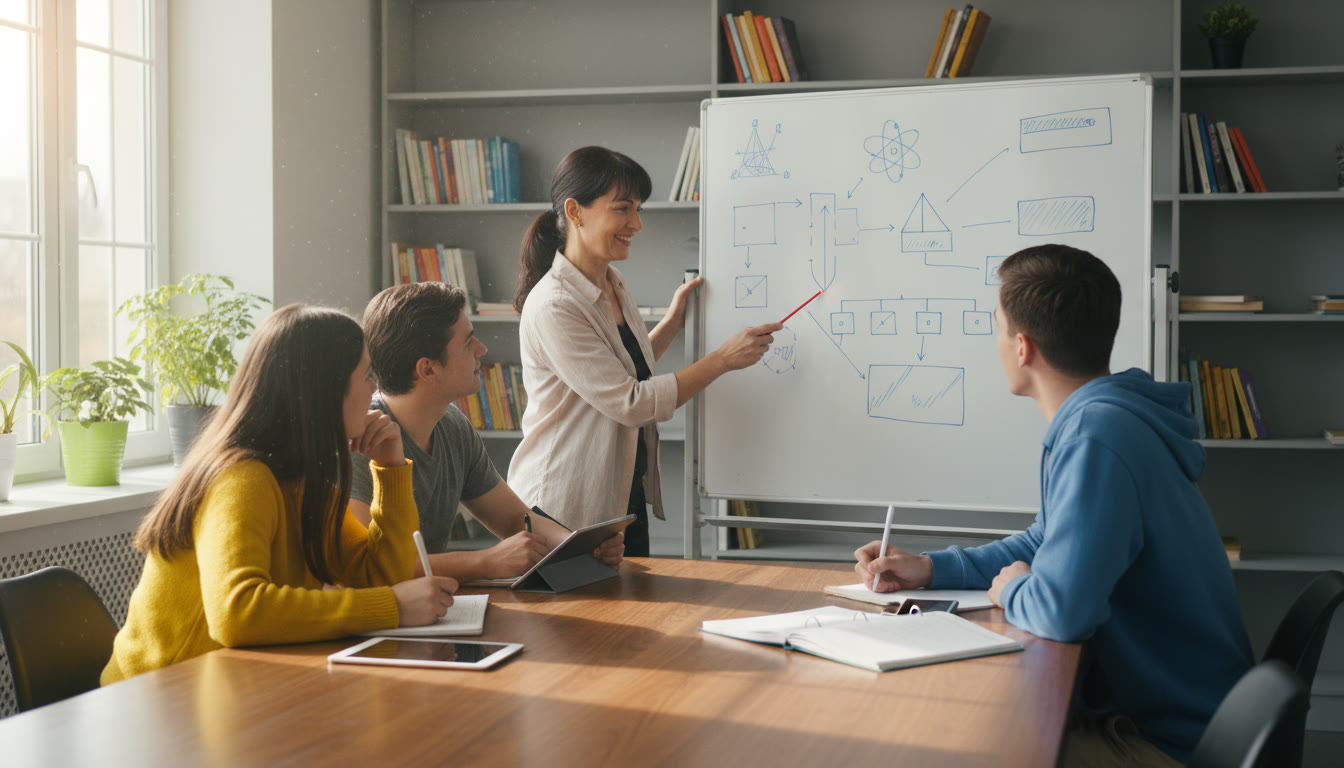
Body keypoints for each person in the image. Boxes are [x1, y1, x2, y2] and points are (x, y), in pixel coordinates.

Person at [854, 244, 1252, 766]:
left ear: (1022, 347)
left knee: (960, 744)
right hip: (1187, 717)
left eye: (996, 328)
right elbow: (1045, 541)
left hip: (1169, 743)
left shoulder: (1098, 436)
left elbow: (1063, 612)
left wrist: (1014, 586)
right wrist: (932, 568)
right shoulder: (1110, 417)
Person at [102, 305, 457, 684]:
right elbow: (237, 612)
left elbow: (377, 575)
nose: (375, 388)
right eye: (366, 375)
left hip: (226, 686)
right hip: (157, 698)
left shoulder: (302, 481)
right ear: (325, 390)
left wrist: (390, 468)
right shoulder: (242, 476)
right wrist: (391, 607)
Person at [508, 146, 782, 556]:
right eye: (623, 209)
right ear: (574, 211)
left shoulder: (612, 281)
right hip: (566, 505)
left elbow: (622, 372)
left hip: (619, 499)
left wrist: (673, 321)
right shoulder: (555, 304)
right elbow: (630, 402)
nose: (636, 223)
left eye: (638, 209)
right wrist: (722, 360)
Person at [348, 281, 624, 582]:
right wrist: (482, 562)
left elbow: (515, 520)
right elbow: (368, 567)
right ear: (428, 370)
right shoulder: (361, 440)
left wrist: (580, 546)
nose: (482, 349)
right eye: (468, 342)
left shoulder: (453, 425)